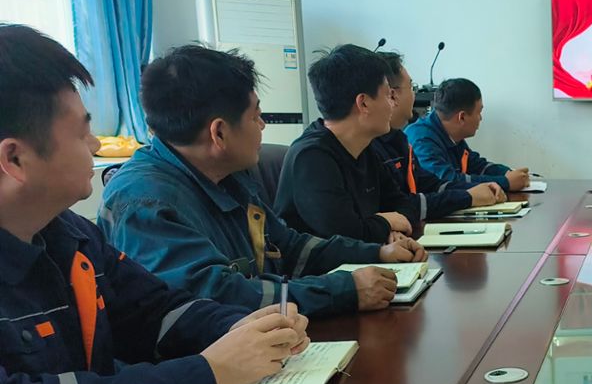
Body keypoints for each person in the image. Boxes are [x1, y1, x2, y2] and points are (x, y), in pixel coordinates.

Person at [0, 25, 310, 384]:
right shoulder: (142, 196)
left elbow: (154, 310)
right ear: (15, 159)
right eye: (82, 134)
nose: (95, 144)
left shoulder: (71, 235)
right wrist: (207, 373)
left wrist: (243, 328)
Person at [100, 45, 423, 318]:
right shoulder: (144, 202)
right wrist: (342, 290)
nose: (263, 126)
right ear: (219, 133)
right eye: (256, 116)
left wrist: (377, 253)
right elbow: (217, 295)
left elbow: (288, 246)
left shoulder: (228, 175)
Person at [276, 45, 423, 243]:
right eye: (388, 95)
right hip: (328, 263)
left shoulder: (364, 148)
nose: (393, 104)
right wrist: (387, 224)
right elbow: (345, 236)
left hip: (366, 257)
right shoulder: (312, 157)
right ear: (363, 103)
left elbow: (404, 204)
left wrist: (392, 230)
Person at [370, 52, 505, 219]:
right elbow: (402, 205)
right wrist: (468, 196)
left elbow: (430, 184)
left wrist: (481, 188)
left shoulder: (398, 139)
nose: (414, 95)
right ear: (392, 95)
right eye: (411, 87)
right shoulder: (416, 138)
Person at [404, 77, 530, 194]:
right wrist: (505, 182)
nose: (481, 118)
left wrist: (507, 173)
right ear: (462, 117)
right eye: (479, 112)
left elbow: (475, 164)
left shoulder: (450, 135)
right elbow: (447, 181)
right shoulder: (421, 139)